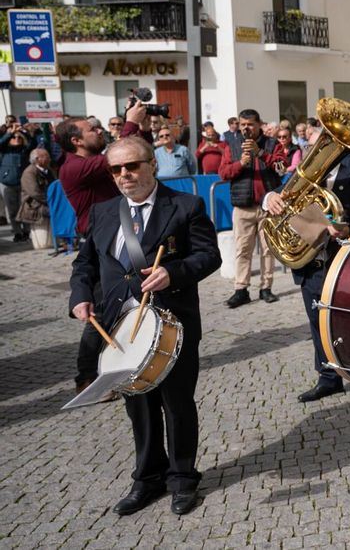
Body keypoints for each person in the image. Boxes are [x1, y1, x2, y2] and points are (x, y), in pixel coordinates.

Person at [68, 136, 221, 516]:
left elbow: (209, 256)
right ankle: (148, 477)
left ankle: (183, 478)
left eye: (132, 166)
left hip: (171, 326)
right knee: (138, 407)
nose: (124, 175)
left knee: (177, 404)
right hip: (119, 329)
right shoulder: (103, 212)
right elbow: (84, 263)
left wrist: (174, 272)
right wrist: (80, 296)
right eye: (116, 169)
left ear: (152, 164)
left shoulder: (186, 205)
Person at [264, 134, 350, 412]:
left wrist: (347, 230)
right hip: (311, 266)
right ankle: (329, 377)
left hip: (343, 264)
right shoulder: (301, 179)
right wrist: (269, 198)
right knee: (318, 324)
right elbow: (276, 201)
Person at [57, 104, 149, 392]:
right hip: (101, 248)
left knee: (129, 302)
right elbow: (114, 154)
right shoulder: (73, 168)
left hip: (122, 239)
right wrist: (130, 123)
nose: (99, 131)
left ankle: (136, 358)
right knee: (101, 312)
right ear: (76, 141)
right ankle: (86, 378)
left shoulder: (91, 162)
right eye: (92, 129)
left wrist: (140, 130)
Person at [218, 109, 282, 308]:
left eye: (250, 124)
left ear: (259, 124)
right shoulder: (232, 146)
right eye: (243, 124)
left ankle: (266, 288)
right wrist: (241, 163)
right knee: (242, 250)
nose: (246, 128)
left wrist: (261, 153)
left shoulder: (272, 144)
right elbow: (223, 173)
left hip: (268, 206)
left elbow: (281, 167)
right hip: (243, 207)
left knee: (268, 249)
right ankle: (241, 289)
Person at [1, 126, 33, 241]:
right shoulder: (5, 149)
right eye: (14, 137)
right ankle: (17, 232)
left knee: (24, 208)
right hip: (8, 183)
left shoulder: (25, 149)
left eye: (19, 137)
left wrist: (24, 131)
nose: (17, 138)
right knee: (12, 210)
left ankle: (26, 231)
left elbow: (32, 142)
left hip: (23, 184)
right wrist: (10, 133)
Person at [18, 147, 54, 246]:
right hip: (34, 206)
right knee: (56, 211)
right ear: (37, 159)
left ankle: (66, 238)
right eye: (46, 156)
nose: (49, 158)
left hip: (46, 202)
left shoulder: (48, 171)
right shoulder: (29, 172)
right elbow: (35, 193)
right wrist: (51, 202)